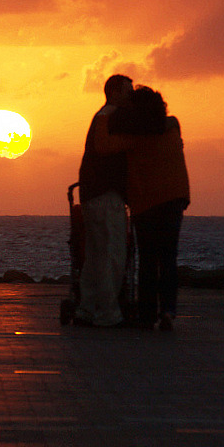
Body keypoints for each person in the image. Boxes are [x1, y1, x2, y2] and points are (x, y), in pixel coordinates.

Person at [94, 86, 190, 331]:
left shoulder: (133, 137)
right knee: (168, 257)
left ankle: (147, 315)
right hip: (174, 197)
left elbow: (102, 146)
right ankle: (168, 311)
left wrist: (105, 113)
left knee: (148, 259)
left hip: (146, 200)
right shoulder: (172, 125)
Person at [74, 74, 133, 327]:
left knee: (95, 255)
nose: (131, 96)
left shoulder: (101, 116)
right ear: (116, 92)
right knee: (113, 254)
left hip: (92, 194)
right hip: (106, 195)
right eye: (128, 91)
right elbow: (106, 149)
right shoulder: (110, 118)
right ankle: (107, 312)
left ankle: (87, 308)